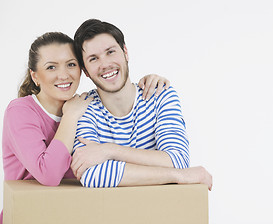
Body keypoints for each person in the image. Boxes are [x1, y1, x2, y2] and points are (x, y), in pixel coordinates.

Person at [1, 32, 169, 223]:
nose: (63, 75)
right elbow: (49, 175)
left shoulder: (86, 106)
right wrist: (71, 116)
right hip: (29, 215)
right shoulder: (21, 111)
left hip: (73, 213)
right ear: (35, 76)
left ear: (83, 70)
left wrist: (148, 83)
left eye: (71, 64)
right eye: (51, 67)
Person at [71, 19, 213, 190]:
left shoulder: (160, 94)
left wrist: (109, 151)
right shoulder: (82, 109)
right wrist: (178, 176)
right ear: (85, 71)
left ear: (125, 52)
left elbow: (177, 160)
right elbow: (91, 174)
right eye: (93, 59)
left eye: (110, 52)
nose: (105, 64)